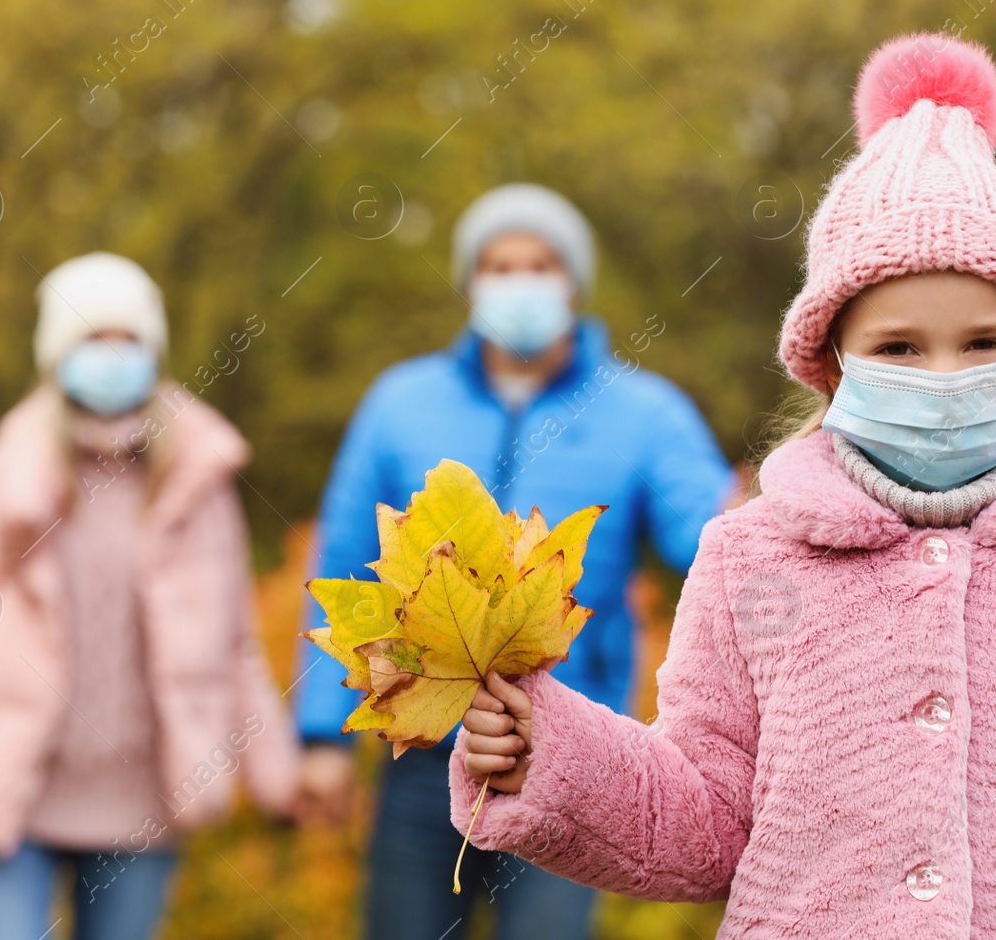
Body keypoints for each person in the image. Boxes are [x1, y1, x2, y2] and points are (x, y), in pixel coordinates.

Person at [450, 36, 996, 938]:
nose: (941, 374)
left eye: (983, 344)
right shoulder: (750, 557)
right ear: (833, 361)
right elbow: (700, 821)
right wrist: (552, 748)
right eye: (897, 347)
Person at [294, 183, 738, 940]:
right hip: (422, 745)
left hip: (571, 746)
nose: (520, 282)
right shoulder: (399, 403)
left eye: (540, 263)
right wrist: (317, 737)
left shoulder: (646, 412)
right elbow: (340, 567)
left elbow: (715, 545)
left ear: (572, 280)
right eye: (500, 265)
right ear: (471, 282)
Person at [0, 253, 300, 940]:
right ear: (58, 353)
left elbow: (233, 645)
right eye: (94, 338)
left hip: (143, 800)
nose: (113, 357)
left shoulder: (197, 486)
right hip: (6, 791)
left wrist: (278, 774)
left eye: (129, 340)